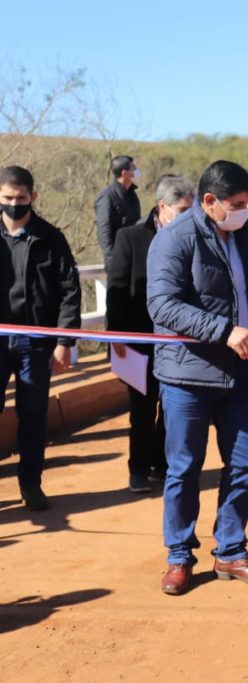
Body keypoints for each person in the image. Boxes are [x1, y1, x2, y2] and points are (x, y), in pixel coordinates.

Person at [147, 160, 248, 596]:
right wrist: (224, 332)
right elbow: (163, 306)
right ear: (209, 202)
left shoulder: (240, 235)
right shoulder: (173, 240)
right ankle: (179, 557)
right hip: (187, 375)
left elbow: (247, 300)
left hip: (240, 371)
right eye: (238, 205)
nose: (246, 212)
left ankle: (232, 551)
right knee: (184, 470)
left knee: (243, 463)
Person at [0, 165, 81, 511]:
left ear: (32, 196)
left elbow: (69, 292)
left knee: (33, 415)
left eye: (20, 198)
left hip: (36, 341)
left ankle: (30, 484)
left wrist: (64, 342)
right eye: (7, 198)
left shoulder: (51, 238)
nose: (14, 204)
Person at [106, 174, 194, 493]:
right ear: (162, 208)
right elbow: (116, 294)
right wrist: (116, 340)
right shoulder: (129, 238)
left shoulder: (195, 237)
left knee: (173, 409)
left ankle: (161, 463)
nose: (189, 217)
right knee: (142, 410)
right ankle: (138, 469)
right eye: (183, 210)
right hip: (139, 342)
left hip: (179, 342)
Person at [96, 155, 142, 264]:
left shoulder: (132, 194)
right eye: (134, 169)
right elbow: (104, 230)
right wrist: (113, 260)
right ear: (124, 173)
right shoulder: (107, 196)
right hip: (118, 259)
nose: (137, 171)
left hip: (134, 256)